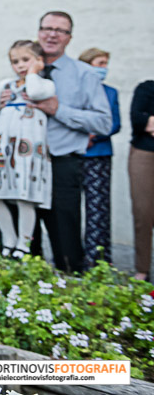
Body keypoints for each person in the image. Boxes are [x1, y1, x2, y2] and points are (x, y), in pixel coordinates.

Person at [25, 11, 112, 273]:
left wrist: (58, 110)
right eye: (47, 28)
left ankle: (70, 292)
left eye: (60, 30)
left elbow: (103, 122)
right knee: (28, 239)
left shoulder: (85, 74)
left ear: (69, 38)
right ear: (39, 32)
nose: (52, 34)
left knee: (65, 240)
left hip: (61, 166)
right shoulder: (24, 70)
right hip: (25, 166)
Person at [0, 40, 56, 258]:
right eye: (15, 61)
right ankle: (8, 237)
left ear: (39, 61)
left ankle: (23, 243)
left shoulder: (45, 85)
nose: (20, 65)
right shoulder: (5, 86)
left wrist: (33, 72)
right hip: (4, 147)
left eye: (26, 60)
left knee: (25, 198)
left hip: (28, 150)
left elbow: (34, 91)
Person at [78, 47, 121, 266]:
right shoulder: (76, 90)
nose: (103, 68)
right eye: (99, 63)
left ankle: (99, 259)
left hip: (99, 154)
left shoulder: (110, 92)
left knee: (98, 210)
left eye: (105, 64)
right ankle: (74, 257)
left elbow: (114, 123)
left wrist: (92, 134)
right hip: (74, 154)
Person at [128, 79, 154, 281]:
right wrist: (146, 122)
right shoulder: (147, 88)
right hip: (145, 155)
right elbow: (137, 119)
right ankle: (142, 269)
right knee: (143, 213)